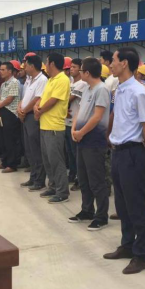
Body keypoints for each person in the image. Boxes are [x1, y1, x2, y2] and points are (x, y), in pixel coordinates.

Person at [102, 47, 145, 275]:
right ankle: (127, 244)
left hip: (133, 152)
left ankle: (141, 255)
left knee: (136, 205)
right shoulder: (119, 89)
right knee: (122, 204)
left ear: (124, 63)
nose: (110, 64)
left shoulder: (139, 91)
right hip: (118, 151)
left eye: (113, 60)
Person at [69, 57, 111, 230]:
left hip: (94, 141)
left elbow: (97, 116)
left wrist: (81, 132)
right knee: (84, 178)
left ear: (87, 72)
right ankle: (87, 210)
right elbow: (80, 111)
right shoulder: (87, 88)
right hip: (81, 139)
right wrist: (74, 129)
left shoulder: (102, 89)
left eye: (81, 70)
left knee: (96, 180)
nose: (79, 73)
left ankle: (101, 216)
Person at [34, 52, 71, 204]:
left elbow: (54, 100)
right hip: (45, 124)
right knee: (47, 160)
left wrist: (40, 110)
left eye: (47, 62)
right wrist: (37, 106)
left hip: (54, 126)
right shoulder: (50, 80)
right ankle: (53, 186)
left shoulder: (62, 79)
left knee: (56, 160)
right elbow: (43, 98)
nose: (45, 65)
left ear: (52, 64)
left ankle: (62, 191)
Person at [19, 54, 48, 191]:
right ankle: (33, 176)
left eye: (26, 65)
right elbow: (25, 97)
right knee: (29, 149)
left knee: (36, 149)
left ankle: (39, 180)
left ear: (32, 66)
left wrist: (24, 111)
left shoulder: (42, 80)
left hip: (32, 116)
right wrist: (20, 108)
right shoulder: (29, 80)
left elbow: (38, 99)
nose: (24, 67)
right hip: (25, 115)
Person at [0, 62, 21, 173]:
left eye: (3, 69)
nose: (1, 72)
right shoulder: (4, 84)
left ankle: (12, 164)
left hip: (11, 113)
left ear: (10, 71)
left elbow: (10, 99)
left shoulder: (15, 82)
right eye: (0, 69)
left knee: (10, 140)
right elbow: (0, 98)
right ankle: (4, 161)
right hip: (2, 111)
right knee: (3, 138)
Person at [65, 58, 88, 190]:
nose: (71, 69)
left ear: (80, 69)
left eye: (74, 67)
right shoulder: (71, 83)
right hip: (66, 122)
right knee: (70, 153)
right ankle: (72, 174)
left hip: (76, 122)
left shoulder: (82, 84)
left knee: (76, 153)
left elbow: (68, 99)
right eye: (71, 67)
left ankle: (79, 179)